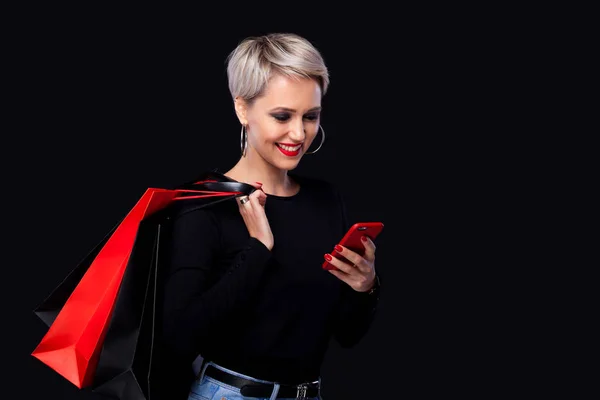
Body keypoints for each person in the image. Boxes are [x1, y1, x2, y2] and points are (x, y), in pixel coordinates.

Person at [159, 32, 382, 400]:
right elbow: (179, 337)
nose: (299, 133)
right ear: (242, 109)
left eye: (310, 116)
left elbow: (347, 335)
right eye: (282, 116)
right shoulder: (203, 204)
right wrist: (258, 249)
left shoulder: (326, 201)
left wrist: (366, 287)